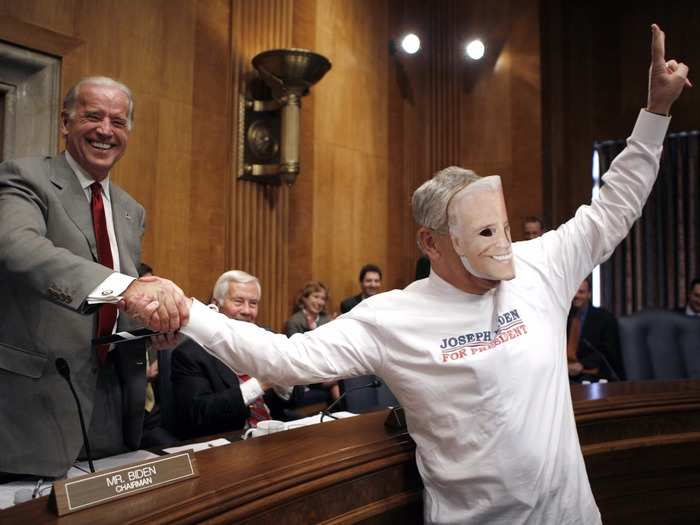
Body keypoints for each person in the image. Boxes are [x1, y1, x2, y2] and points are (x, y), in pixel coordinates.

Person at [127, 25, 689, 524]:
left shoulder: (540, 266)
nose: (502, 247)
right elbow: (284, 360)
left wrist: (655, 114)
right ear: (431, 242)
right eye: (480, 233)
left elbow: (613, 207)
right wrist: (190, 308)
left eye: (502, 228)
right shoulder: (391, 316)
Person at [0, 77, 188, 478]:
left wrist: (153, 327)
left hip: (116, 399)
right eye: (93, 116)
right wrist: (128, 287)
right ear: (65, 122)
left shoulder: (130, 209)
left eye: (118, 122)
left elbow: (120, 304)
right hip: (38, 402)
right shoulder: (24, 177)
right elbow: (17, 249)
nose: (105, 130)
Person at [171, 270, 296, 439]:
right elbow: (198, 413)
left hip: (274, 434)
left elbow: (294, 399)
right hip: (227, 442)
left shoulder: (266, 339)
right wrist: (260, 384)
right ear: (216, 304)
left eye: (253, 304)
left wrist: (285, 380)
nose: (246, 310)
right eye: (238, 302)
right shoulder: (190, 353)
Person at [285, 281, 339, 401]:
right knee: (340, 378)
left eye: (323, 299)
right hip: (307, 370)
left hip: (328, 365)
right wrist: (311, 333)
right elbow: (295, 353)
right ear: (304, 298)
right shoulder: (295, 321)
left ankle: (349, 415)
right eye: (316, 297)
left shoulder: (326, 319)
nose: (320, 302)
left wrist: (336, 329)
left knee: (350, 374)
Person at [567, 278, 625, 381]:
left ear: (589, 294)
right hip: (565, 375)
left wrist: (581, 364)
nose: (576, 296)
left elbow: (608, 351)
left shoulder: (604, 318)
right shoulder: (563, 317)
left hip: (594, 374)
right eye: (574, 291)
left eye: (581, 292)